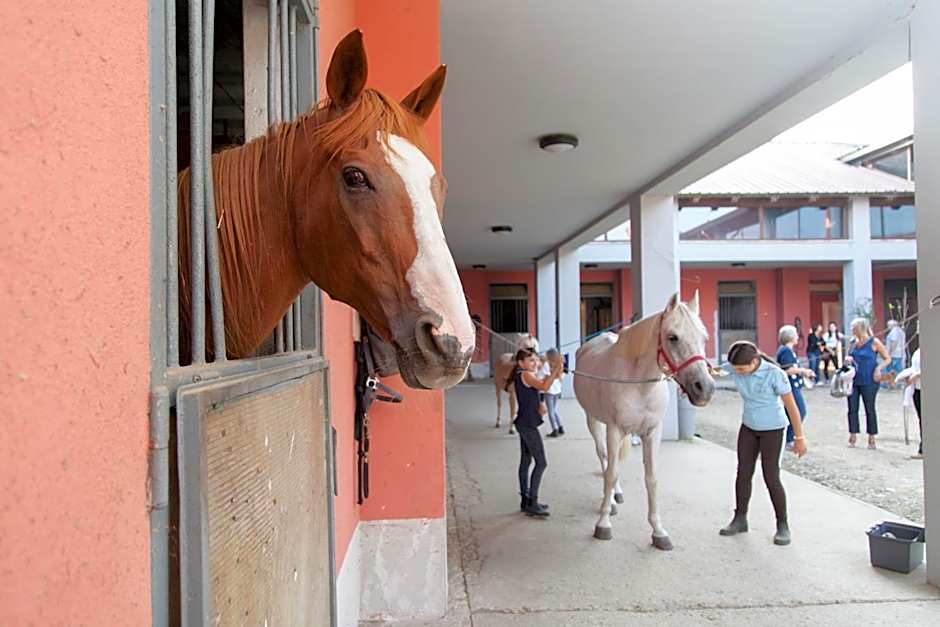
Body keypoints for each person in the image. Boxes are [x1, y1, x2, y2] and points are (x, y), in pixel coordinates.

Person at [718, 341, 807, 546]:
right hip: (749, 427)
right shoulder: (735, 367)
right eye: (735, 369)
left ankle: (782, 525)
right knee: (743, 473)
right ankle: (740, 519)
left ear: (755, 362)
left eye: (742, 369)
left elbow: (792, 407)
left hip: (773, 429)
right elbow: (712, 372)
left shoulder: (775, 374)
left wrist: (800, 438)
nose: (738, 373)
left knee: (771, 476)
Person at [506, 347, 563, 517]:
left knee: (526, 461)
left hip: (524, 422)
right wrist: (557, 367)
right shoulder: (526, 374)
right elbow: (545, 386)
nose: (536, 363)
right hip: (527, 425)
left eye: (536, 359)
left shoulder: (524, 374)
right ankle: (533, 502)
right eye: (531, 360)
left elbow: (538, 388)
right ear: (521, 363)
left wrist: (539, 402)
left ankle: (525, 500)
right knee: (541, 462)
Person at [845, 318, 892, 449]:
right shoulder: (852, 342)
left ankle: (871, 437)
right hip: (853, 380)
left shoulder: (874, 342)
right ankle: (853, 435)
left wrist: (878, 368)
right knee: (852, 408)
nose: (852, 330)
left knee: (869, 409)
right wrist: (847, 360)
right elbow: (849, 358)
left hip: (869, 380)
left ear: (861, 328)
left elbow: (887, 359)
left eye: (853, 327)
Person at [776, 325, 816, 450]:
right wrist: (803, 371)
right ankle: (788, 438)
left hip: (793, 385)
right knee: (799, 412)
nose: (798, 337)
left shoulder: (787, 350)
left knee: (791, 412)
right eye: (796, 335)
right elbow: (788, 369)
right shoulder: (786, 351)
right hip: (790, 387)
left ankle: (786, 438)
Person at [897, 348, 923, 459]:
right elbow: (915, 367)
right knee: (922, 419)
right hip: (917, 388)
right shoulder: (917, 351)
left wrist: (917, 375)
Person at [540, 348, 566, 437]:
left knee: (550, 410)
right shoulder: (560, 364)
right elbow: (560, 376)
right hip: (557, 389)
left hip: (549, 389)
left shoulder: (547, 364)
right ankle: (560, 427)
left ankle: (554, 429)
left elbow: (545, 376)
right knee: (554, 409)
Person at [884, 319, 907, 388]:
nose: (888, 327)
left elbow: (894, 342)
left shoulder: (894, 331)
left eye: (888, 325)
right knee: (899, 369)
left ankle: (894, 384)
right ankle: (897, 384)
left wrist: (889, 354)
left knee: (892, 370)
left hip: (894, 355)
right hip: (900, 354)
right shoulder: (900, 331)